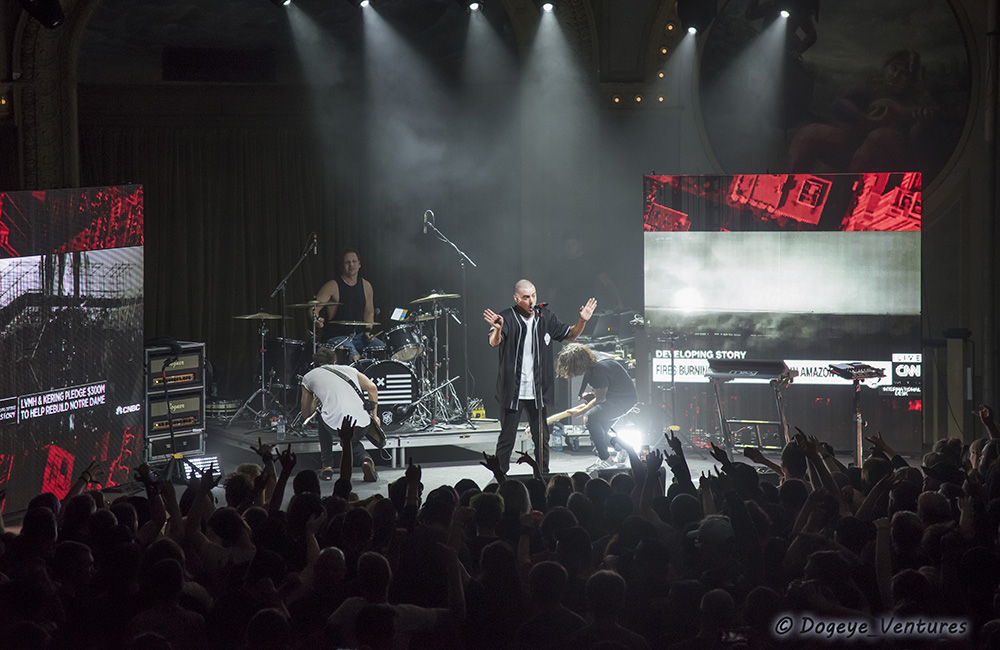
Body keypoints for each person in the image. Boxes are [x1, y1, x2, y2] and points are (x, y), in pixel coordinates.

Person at [483, 279, 596, 474]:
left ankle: (542, 477)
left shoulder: (546, 317)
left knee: (542, 437)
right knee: (507, 438)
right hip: (513, 391)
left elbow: (570, 335)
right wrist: (499, 328)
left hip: (538, 391)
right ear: (516, 298)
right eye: (526, 297)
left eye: (533, 295)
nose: (531, 301)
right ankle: (500, 477)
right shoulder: (507, 317)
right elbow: (494, 341)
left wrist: (582, 321)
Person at [299, 345, 379, 482]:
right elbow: (372, 388)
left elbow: (305, 414)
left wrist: (314, 404)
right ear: (334, 362)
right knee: (349, 440)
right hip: (362, 422)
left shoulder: (309, 377)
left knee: (323, 417)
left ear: (315, 365)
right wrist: (375, 415)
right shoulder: (350, 370)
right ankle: (366, 460)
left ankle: (327, 466)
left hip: (336, 425)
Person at [556, 343, 637, 470]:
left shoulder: (599, 370)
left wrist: (581, 412)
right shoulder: (593, 359)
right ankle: (622, 448)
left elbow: (600, 399)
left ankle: (606, 459)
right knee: (599, 433)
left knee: (590, 418)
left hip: (622, 400)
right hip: (619, 397)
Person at [313, 248, 384, 361]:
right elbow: (313, 308)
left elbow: (369, 312)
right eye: (347, 262)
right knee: (354, 357)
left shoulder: (366, 286)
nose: (351, 265)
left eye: (354, 261)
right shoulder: (332, 286)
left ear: (359, 264)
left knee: (382, 350)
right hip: (336, 337)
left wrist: (368, 331)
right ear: (342, 266)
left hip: (360, 336)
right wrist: (316, 319)